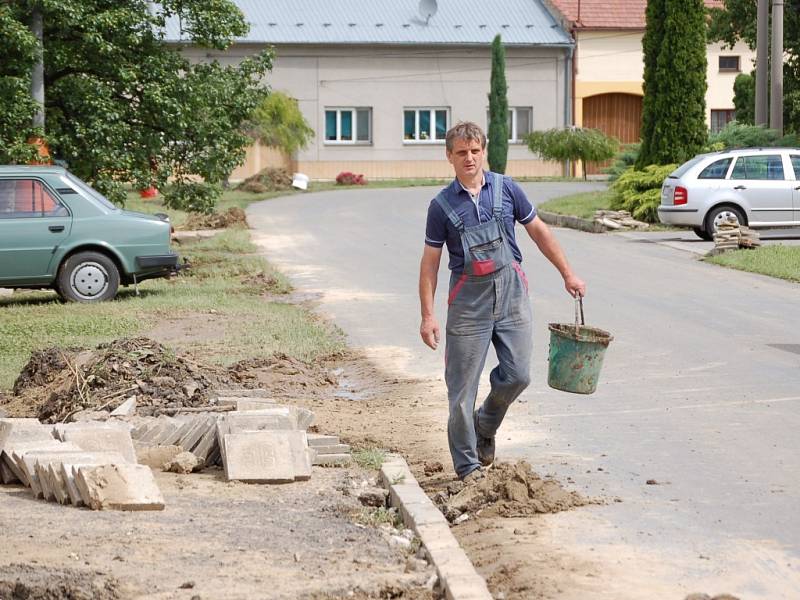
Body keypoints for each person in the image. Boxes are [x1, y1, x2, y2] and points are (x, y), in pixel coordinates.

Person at [418, 121, 586, 483]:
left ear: (484, 152)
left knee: (518, 374)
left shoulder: (507, 189)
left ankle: (486, 423)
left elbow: (539, 231)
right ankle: (467, 468)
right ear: (449, 156)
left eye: (475, 151)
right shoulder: (441, 206)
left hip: (511, 296)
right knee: (461, 390)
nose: (469, 158)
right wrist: (428, 315)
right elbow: (430, 263)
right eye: (461, 152)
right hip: (468, 305)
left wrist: (567, 273)